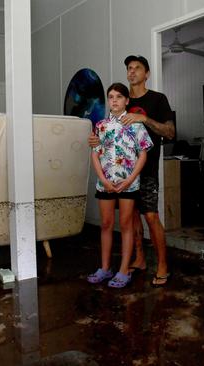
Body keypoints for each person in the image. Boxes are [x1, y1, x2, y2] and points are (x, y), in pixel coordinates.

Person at [89, 55, 175, 286]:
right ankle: (138, 260)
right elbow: (105, 139)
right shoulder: (116, 107)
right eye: (129, 68)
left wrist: (143, 118)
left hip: (145, 169)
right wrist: (96, 141)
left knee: (150, 215)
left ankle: (163, 265)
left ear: (146, 74)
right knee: (131, 219)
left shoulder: (158, 99)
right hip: (118, 173)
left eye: (138, 68)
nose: (132, 71)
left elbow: (170, 132)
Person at [87, 82, 153, 288]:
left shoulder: (135, 125)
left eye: (118, 96)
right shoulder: (101, 126)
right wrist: (104, 180)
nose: (114, 100)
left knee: (125, 225)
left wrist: (130, 179)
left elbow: (143, 154)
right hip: (105, 183)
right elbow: (95, 155)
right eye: (111, 97)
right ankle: (105, 268)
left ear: (127, 100)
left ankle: (124, 270)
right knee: (106, 225)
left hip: (128, 185)